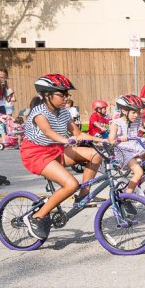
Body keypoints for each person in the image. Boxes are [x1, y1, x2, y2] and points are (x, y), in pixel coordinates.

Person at [20, 75, 106, 240]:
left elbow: (79, 133)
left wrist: (104, 140)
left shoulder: (64, 112)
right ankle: (37, 217)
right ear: (47, 95)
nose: (66, 97)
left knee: (95, 155)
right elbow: (47, 131)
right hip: (36, 153)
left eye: (67, 94)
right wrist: (66, 140)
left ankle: (83, 195)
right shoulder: (39, 112)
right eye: (62, 94)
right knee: (70, 183)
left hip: (56, 150)